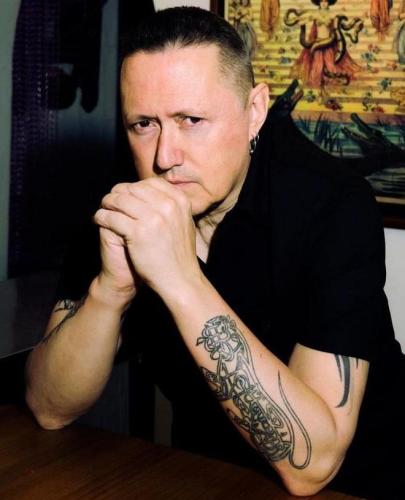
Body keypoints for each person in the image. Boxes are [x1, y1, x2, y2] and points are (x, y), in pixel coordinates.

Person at [25, 7, 405, 499]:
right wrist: (110, 290)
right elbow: (49, 407)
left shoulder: (332, 204)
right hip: (206, 477)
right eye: (143, 124)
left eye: (191, 120)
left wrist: (181, 278)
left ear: (255, 111)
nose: (165, 157)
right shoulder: (125, 202)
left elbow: (313, 466)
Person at [285, 0, 363, 99]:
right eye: (321, 1)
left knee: (330, 65)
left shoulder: (332, 15)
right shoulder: (315, 14)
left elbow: (343, 25)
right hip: (318, 43)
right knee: (317, 65)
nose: (323, 3)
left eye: (326, 1)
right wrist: (300, 22)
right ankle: (320, 84)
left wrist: (354, 24)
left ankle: (328, 81)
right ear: (318, 3)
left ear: (329, 3)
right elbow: (304, 20)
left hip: (329, 44)